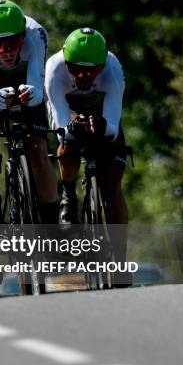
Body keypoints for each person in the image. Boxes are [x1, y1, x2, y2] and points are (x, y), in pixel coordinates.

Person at [45, 27, 130, 286]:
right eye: (77, 70)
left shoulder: (113, 69)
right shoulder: (55, 69)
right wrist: (73, 126)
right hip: (69, 112)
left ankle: (120, 259)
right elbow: (59, 125)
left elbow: (113, 125)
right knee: (68, 144)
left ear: (102, 64)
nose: (83, 76)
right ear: (67, 63)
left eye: (91, 70)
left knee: (112, 184)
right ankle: (68, 194)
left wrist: (103, 126)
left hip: (102, 114)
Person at [0, 0, 58, 224]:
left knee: (37, 147)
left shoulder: (36, 34)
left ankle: (51, 224)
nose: (5, 51)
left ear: (23, 35)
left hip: (24, 78)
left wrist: (31, 94)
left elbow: (36, 84)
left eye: (12, 42)